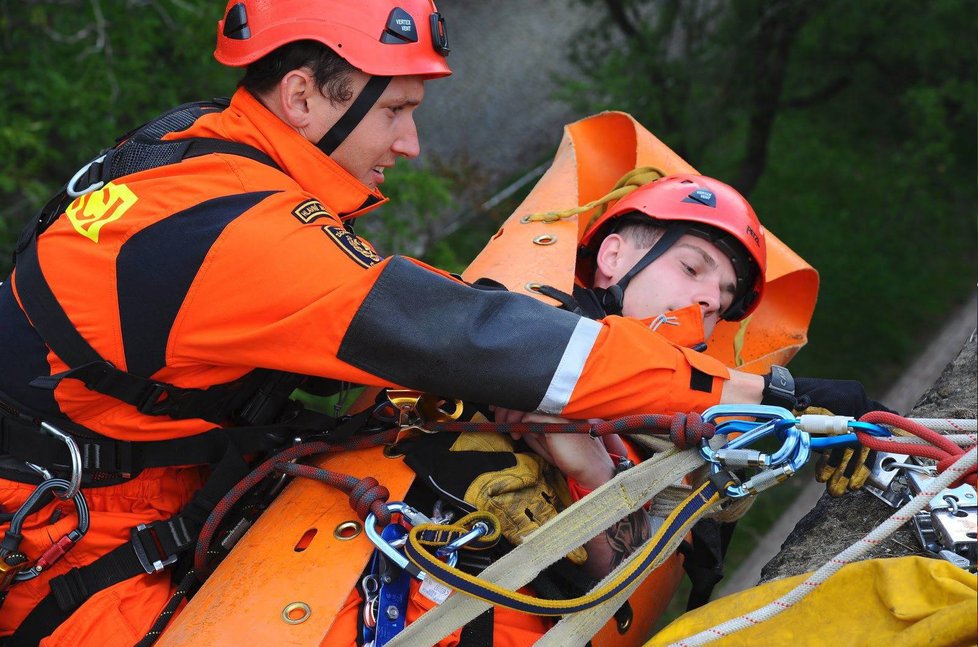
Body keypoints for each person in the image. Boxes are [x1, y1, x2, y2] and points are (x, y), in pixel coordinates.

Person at [0, 1, 889, 645]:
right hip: (72, 567)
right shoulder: (241, 233)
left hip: (105, 501)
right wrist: (759, 394)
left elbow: (405, 308)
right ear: (305, 94)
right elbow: (463, 334)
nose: (410, 143)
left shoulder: (198, 158)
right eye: (395, 110)